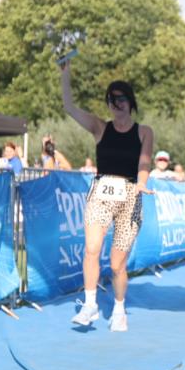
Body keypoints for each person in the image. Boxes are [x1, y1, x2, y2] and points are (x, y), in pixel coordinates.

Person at [60, 60, 154, 332]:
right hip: (101, 192)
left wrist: (142, 183)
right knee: (91, 248)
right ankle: (90, 305)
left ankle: (120, 308)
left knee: (116, 264)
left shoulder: (144, 131)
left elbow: (144, 162)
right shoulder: (100, 128)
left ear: (131, 102)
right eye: (111, 100)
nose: (116, 104)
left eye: (121, 98)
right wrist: (66, 75)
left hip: (131, 196)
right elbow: (69, 107)